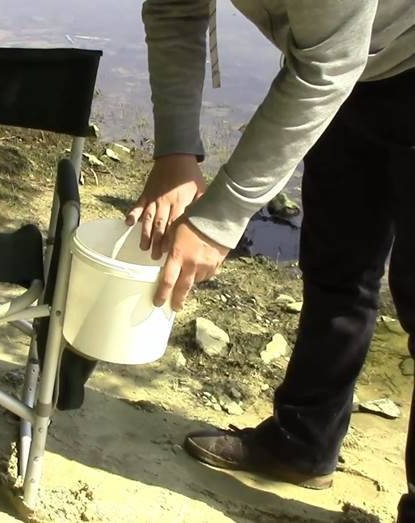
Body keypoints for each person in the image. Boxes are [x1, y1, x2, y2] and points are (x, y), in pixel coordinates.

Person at [129, 0, 415, 519]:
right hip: (349, 69)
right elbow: (175, 11)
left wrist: (220, 217)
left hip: (379, 53)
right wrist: (175, 152)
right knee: (337, 269)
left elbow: (328, 65)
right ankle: (302, 444)